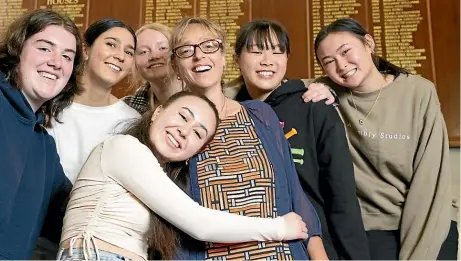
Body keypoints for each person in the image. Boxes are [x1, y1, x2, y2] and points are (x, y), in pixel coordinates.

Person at [57, 91, 309, 261]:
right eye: (183, 116)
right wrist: (279, 227)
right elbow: (200, 223)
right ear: (157, 112)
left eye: (198, 133)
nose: (184, 132)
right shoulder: (123, 147)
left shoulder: (155, 177)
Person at [169, 17, 327, 260]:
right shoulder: (171, 128)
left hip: (281, 254)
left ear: (224, 57)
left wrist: (318, 254)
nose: (199, 56)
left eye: (209, 46)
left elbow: (294, 192)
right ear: (174, 65)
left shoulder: (260, 114)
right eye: (186, 50)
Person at [312, 17, 457, 260]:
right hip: (368, 229)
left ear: (369, 43)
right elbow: (265, 83)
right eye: (329, 62)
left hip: (428, 219)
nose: (341, 65)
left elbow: (430, 183)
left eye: (346, 51)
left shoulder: (418, 92)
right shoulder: (325, 94)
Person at [0, 9, 83, 260]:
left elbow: (70, 216)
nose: (56, 62)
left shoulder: (43, 145)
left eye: (67, 56)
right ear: (16, 50)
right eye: (45, 48)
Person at [231, 19, 369, 260]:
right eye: (255, 51)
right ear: (237, 58)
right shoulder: (230, 114)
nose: (267, 60)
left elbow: (341, 196)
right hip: (250, 246)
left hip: (316, 248)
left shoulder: (314, 106)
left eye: (277, 51)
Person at [48, 18, 140, 184]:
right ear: (85, 50)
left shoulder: (132, 121)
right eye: (111, 44)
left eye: (129, 52)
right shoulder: (47, 104)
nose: (120, 56)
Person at [124, 23, 183, 114]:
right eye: (144, 51)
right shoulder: (126, 109)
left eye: (162, 48)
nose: (154, 56)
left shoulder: (205, 99)